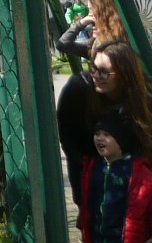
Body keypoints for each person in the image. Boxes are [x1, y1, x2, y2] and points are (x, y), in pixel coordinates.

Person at [61, 41, 152, 211]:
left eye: (104, 72)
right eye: (93, 69)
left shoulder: (143, 103)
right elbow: (70, 142)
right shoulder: (79, 91)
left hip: (136, 185)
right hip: (93, 179)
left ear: (124, 74)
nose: (96, 76)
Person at [78, 116, 152, 243]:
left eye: (107, 134)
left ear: (120, 140)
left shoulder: (137, 171)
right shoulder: (93, 167)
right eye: (97, 133)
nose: (100, 138)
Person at [61, 0, 130, 60]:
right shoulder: (93, 44)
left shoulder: (124, 42)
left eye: (91, 9)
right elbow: (63, 44)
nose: (89, 15)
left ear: (106, 11)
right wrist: (81, 23)